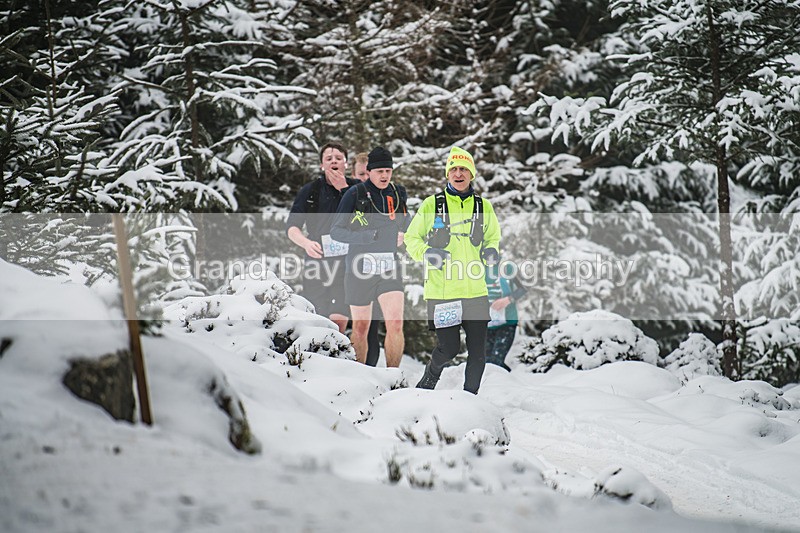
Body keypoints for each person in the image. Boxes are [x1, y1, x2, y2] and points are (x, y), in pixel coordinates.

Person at [404, 146, 500, 394]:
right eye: (454, 169)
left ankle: (470, 399)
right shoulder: (431, 204)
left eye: (464, 169)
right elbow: (411, 239)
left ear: (472, 174)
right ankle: (428, 382)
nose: (458, 174)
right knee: (448, 349)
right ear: (448, 174)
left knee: (479, 353)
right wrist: (427, 253)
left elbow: (492, 238)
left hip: (476, 291)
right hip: (443, 291)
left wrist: (491, 251)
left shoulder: (483, 206)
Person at [331, 146, 408, 367]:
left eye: (388, 171)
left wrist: (405, 233)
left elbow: (406, 221)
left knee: (395, 323)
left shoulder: (397, 192)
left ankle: (394, 376)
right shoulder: (353, 194)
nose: (384, 176)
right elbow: (337, 231)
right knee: (361, 328)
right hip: (359, 268)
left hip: (388, 267)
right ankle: (359, 377)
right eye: (379, 171)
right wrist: (367, 237)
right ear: (370, 171)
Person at [286, 142, 359, 333]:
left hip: (348, 262)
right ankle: (316, 356)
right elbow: (292, 227)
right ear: (322, 165)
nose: (334, 161)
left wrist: (344, 188)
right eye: (329, 158)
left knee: (340, 317)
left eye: (338, 158)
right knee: (316, 313)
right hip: (317, 260)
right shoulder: (311, 190)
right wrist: (306, 243)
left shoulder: (358, 189)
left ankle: (335, 354)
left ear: (345, 163)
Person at [352, 151, 383, 367]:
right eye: (360, 175)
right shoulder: (347, 195)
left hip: (375, 268)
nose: (364, 179)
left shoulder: (383, 196)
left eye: (367, 175)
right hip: (344, 271)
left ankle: (369, 372)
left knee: (371, 327)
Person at [485, 263, 526, 371]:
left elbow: (523, 287)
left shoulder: (506, 267)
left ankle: (510, 385)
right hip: (485, 325)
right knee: (486, 364)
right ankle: (508, 383)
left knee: (495, 361)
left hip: (507, 322)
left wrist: (508, 300)